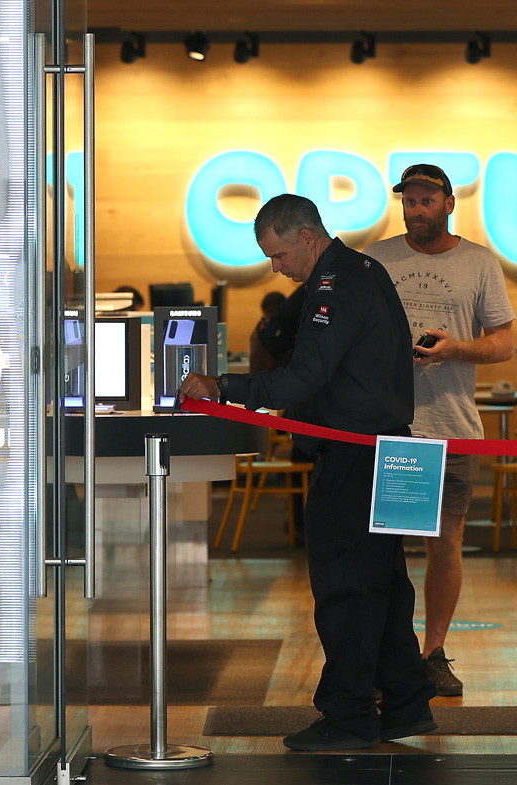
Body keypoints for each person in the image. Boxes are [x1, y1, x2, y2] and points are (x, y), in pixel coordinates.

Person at [180, 194, 436, 751]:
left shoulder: (330, 288)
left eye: (276, 255)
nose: (276, 269)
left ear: (305, 237)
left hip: (354, 459)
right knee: (385, 586)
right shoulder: (368, 270)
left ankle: (348, 717)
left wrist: (226, 388)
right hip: (390, 451)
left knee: (346, 588)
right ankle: (404, 702)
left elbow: (305, 375)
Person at [363, 164, 516, 698]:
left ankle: (432, 653)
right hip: (391, 425)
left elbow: (502, 343)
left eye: (427, 200)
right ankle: (390, 655)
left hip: (452, 425)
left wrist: (453, 349)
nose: (416, 210)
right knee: (386, 547)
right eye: (409, 201)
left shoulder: (478, 262)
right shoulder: (376, 259)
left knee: (445, 543)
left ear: (449, 203)